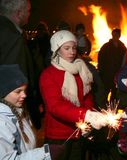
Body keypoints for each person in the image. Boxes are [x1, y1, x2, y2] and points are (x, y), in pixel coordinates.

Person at [39, 30, 107, 160]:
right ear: (56, 49)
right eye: (67, 48)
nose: (72, 52)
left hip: (78, 133)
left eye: (74, 48)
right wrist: (85, 115)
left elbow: (87, 98)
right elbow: (55, 106)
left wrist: (88, 119)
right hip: (58, 136)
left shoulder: (81, 70)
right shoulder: (48, 75)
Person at [0, 0, 42, 129]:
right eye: (28, 11)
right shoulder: (12, 37)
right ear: (19, 13)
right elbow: (15, 79)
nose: (29, 14)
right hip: (9, 109)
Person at [0, 64, 52, 160]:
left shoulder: (19, 111)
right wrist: (46, 153)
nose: (24, 95)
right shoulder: (2, 123)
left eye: (25, 90)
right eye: (18, 91)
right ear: (3, 92)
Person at [98, 28, 127, 102]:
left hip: (117, 75)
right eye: (114, 35)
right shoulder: (106, 47)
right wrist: (101, 70)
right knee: (105, 92)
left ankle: (112, 109)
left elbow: (125, 60)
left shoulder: (122, 48)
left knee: (115, 94)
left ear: (119, 36)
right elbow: (100, 59)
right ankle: (102, 108)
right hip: (107, 74)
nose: (115, 36)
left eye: (117, 35)